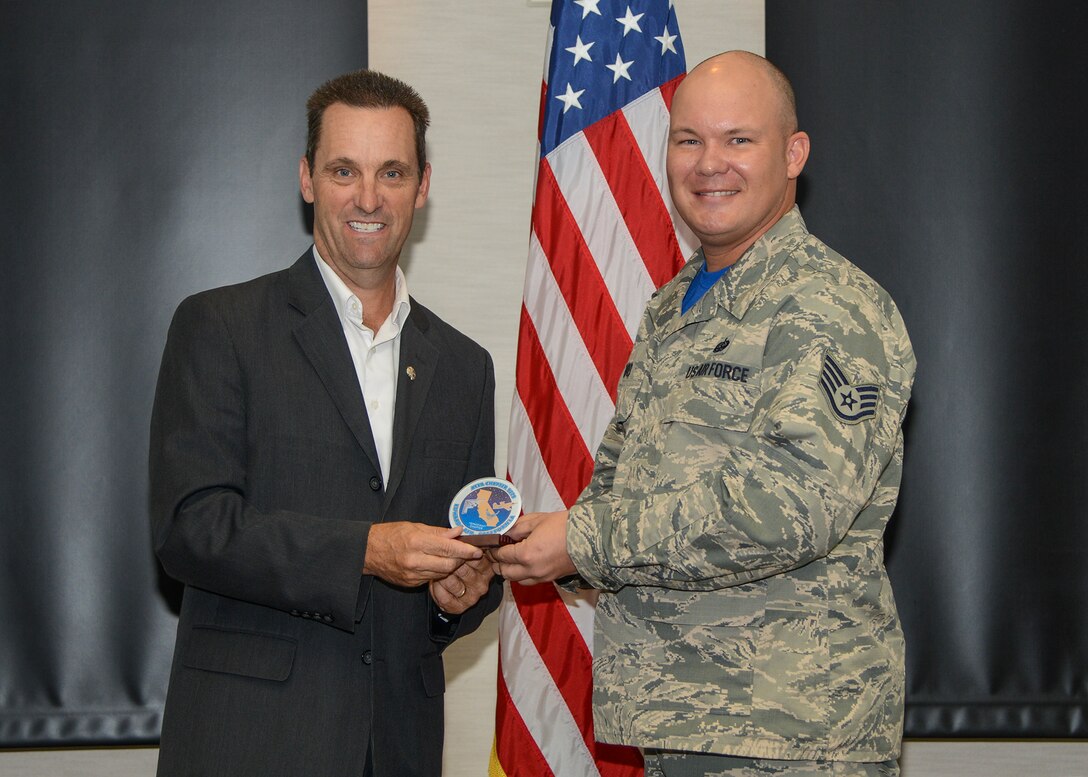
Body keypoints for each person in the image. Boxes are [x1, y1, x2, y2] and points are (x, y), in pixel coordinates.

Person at [491, 50, 915, 776]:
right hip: (687, 726)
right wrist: (536, 548)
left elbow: (788, 505)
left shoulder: (829, 305)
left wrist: (584, 538)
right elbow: (623, 492)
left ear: (793, 154)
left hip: (792, 737)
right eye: (688, 140)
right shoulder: (674, 306)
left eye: (738, 140)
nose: (709, 162)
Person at [149, 69, 501, 777]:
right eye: (345, 170)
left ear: (422, 186)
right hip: (250, 744)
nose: (368, 197)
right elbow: (191, 528)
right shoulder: (220, 326)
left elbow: (466, 552)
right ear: (307, 178)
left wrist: (459, 595)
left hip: (397, 746)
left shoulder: (466, 366)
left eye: (392, 172)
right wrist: (364, 551)